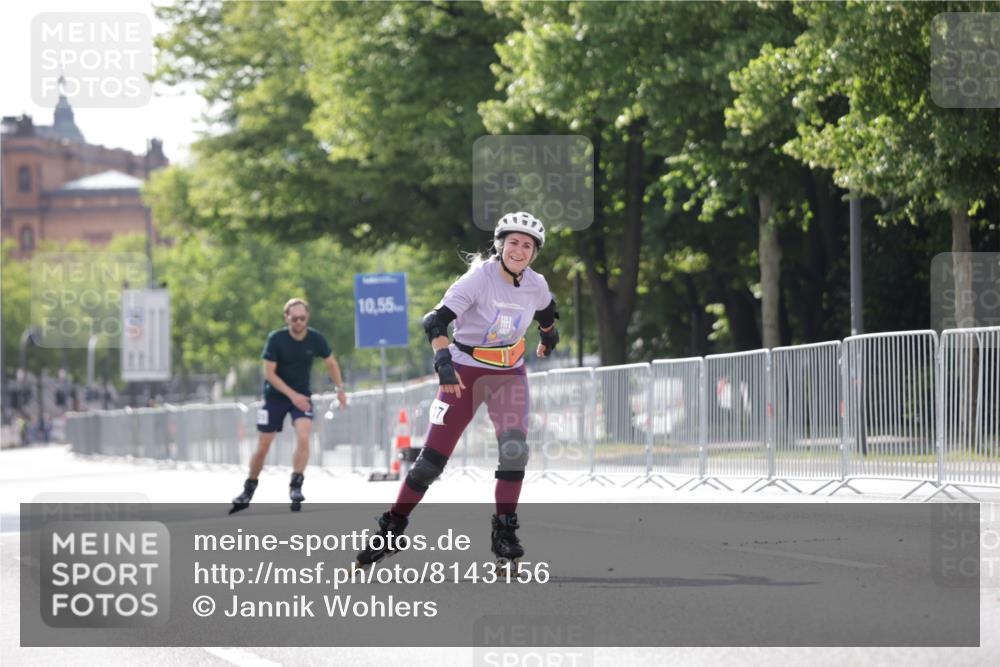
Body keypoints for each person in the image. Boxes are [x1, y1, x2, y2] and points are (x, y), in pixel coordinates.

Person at [356, 212, 560, 567]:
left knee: (514, 451)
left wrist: (548, 336)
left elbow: (547, 311)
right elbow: (435, 320)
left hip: (508, 375)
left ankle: (505, 532)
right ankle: (391, 525)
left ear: (534, 253)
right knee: (429, 465)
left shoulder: (535, 283)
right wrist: (442, 361)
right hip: (464, 373)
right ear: (500, 245)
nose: (519, 250)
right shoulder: (477, 279)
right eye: (513, 242)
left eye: (527, 245)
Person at [230, 298, 347, 513]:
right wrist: (293, 396)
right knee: (263, 445)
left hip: (301, 397)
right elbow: (269, 374)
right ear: (287, 318)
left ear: (307, 317)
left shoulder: (315, 339)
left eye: (302, 318)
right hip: (275, 397)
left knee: (304, 436)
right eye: (294, 319)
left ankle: (296, 485)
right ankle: (249, 488)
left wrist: (339, 389)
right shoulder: (276, 339)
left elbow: (331, 362)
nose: (299, 322)